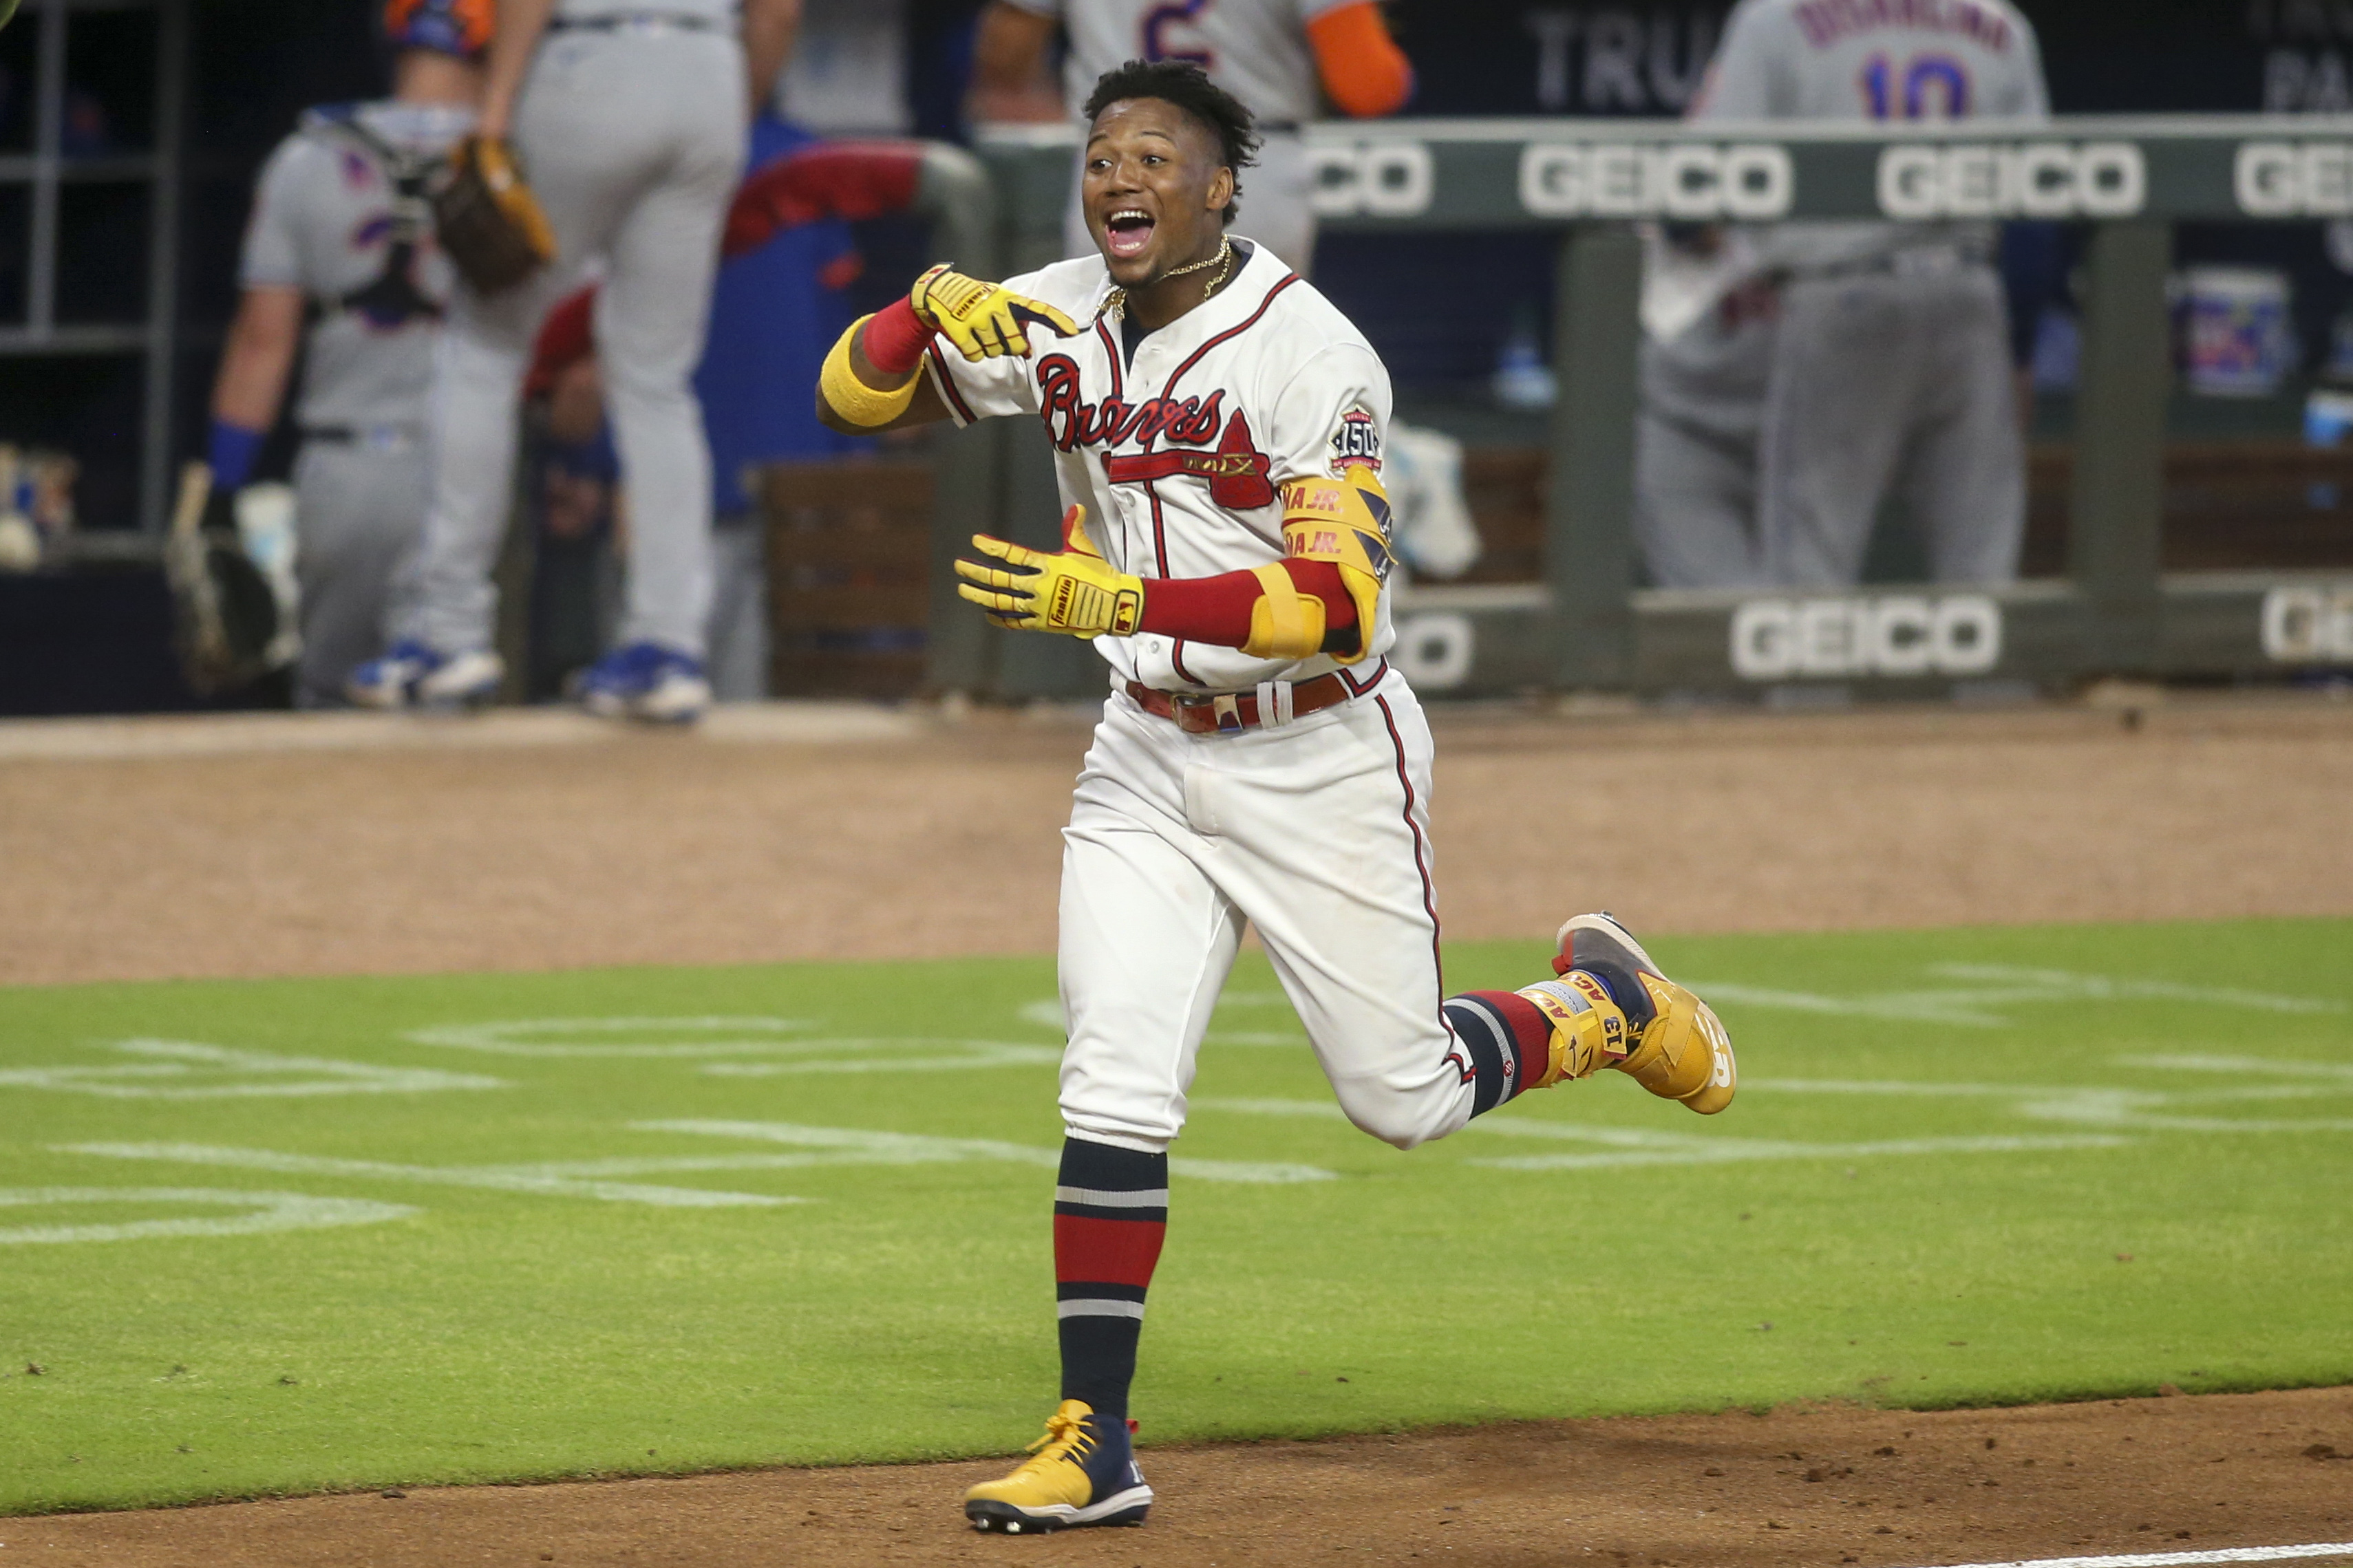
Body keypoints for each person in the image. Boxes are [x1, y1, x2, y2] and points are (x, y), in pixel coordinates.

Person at [814, 58, 1738, 1535]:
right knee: (1111, 1079)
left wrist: (1114, 589)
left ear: (1219, 184)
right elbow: (849, 396)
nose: (1121, 176)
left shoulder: (1313, 355)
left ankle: (1600, 1005)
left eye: (1156, 156)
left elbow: (1337, 605)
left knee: (1401, 1094)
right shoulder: (1050, 308)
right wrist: (925, 300)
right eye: (1102, 153)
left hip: (1316, 753)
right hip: (1140, 756)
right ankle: (1090, 1434)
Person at [348, 0, 802, 722]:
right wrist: (727, 116)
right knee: (656, 377)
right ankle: (667, 647)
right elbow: (778, 11)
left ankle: (448, 632)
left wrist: (494, 117)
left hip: (592, 57)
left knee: (483, 342)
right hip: (712, 71)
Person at [1677, 0, 2049, 589]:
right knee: (1982, 578)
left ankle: (1806, 687)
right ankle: (1991, 684)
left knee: (1809, 579)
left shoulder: (1775, 19)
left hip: (1842, 297)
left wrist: (1714, 243)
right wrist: (2022, 352)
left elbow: (1694, 190)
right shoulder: (1999, 23)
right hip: (1970, 297)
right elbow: (2037, 210)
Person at [204, 0, 486, 707]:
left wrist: (221, 493)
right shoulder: (519, 158)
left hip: (342, 472)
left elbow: (259, 346)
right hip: (472, 482)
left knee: (331, 716)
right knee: (457, 728)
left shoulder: (308, 158)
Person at [967, 0, 1414, 272]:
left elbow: (1004, 58)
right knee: (1244, 388)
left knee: (1113, 386)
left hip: (1116, 174)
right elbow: (1367, 87)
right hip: (1250, 170)